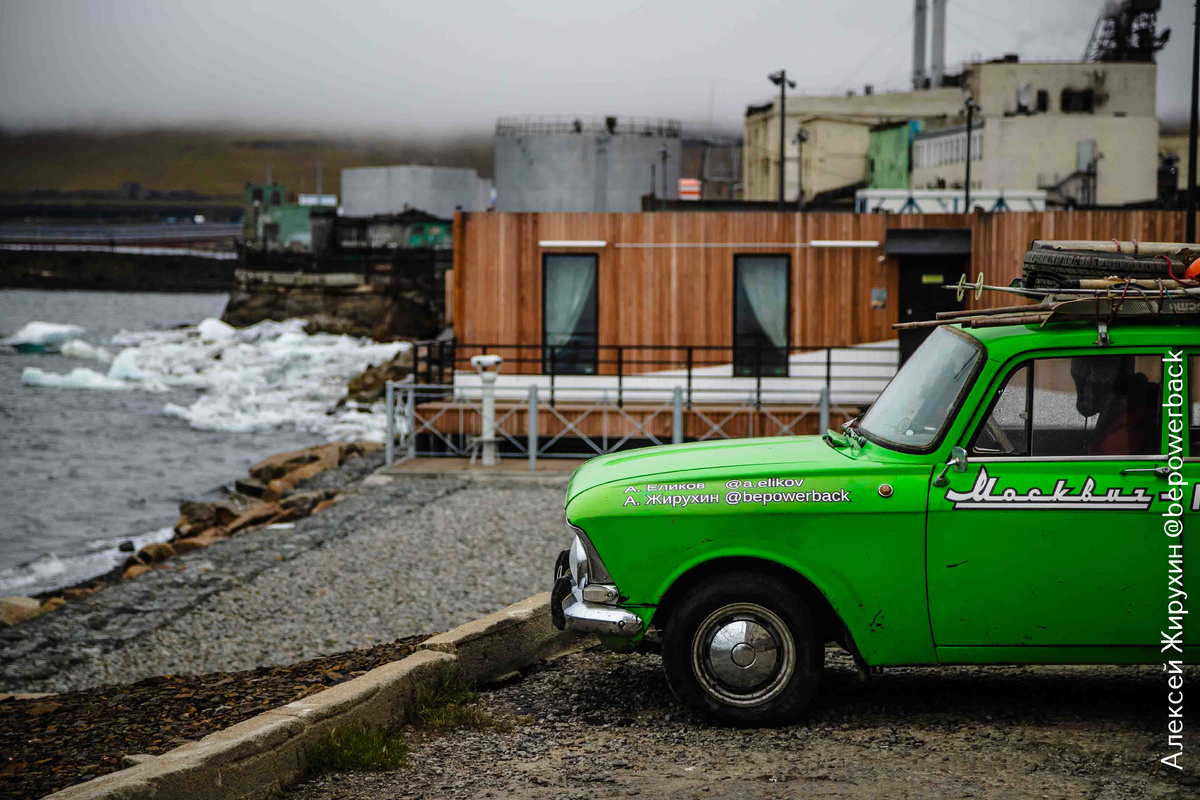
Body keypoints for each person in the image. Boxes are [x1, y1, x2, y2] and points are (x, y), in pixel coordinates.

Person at [1069, 355, 1158, 456]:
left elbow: (1105, 459)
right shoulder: (1118, 406)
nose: (1085, 393)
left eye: (1085, 382)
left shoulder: (1130, 415)